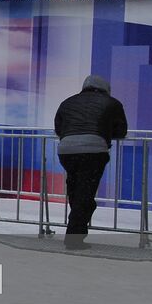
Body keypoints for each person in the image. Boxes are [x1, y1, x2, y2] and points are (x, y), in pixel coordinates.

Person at [53, 75, 129, 249]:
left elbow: (59, 128)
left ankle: (77, 226)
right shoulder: (112, 103)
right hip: (94, 151)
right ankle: (74, 237)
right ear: (105, 89)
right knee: (85, 195)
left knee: (76, 191)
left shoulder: (67, 102)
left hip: (67, 151)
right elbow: (121, 130)